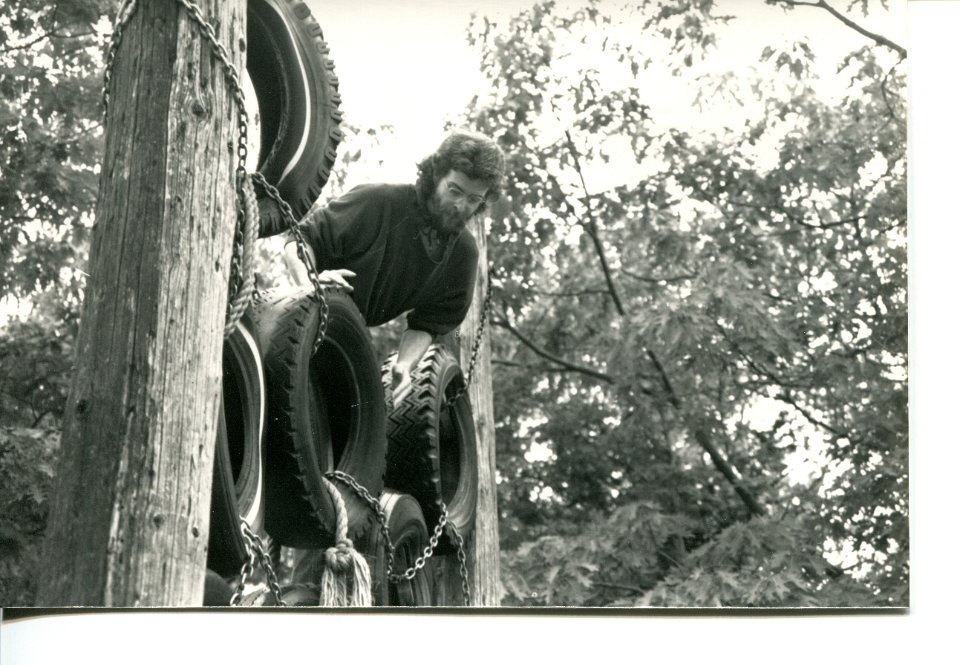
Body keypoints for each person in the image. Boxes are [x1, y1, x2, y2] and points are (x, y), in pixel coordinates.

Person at [284, 130, 505, 404]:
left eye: (474, 200)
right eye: (455, 190)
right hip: (297, 317)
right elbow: (299, 240)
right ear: (436, 174)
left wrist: (405, 364)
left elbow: (428, 322)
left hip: (345, 339)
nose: (461, 206)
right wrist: (310, 283)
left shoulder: (463, 255)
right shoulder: (379, 201)